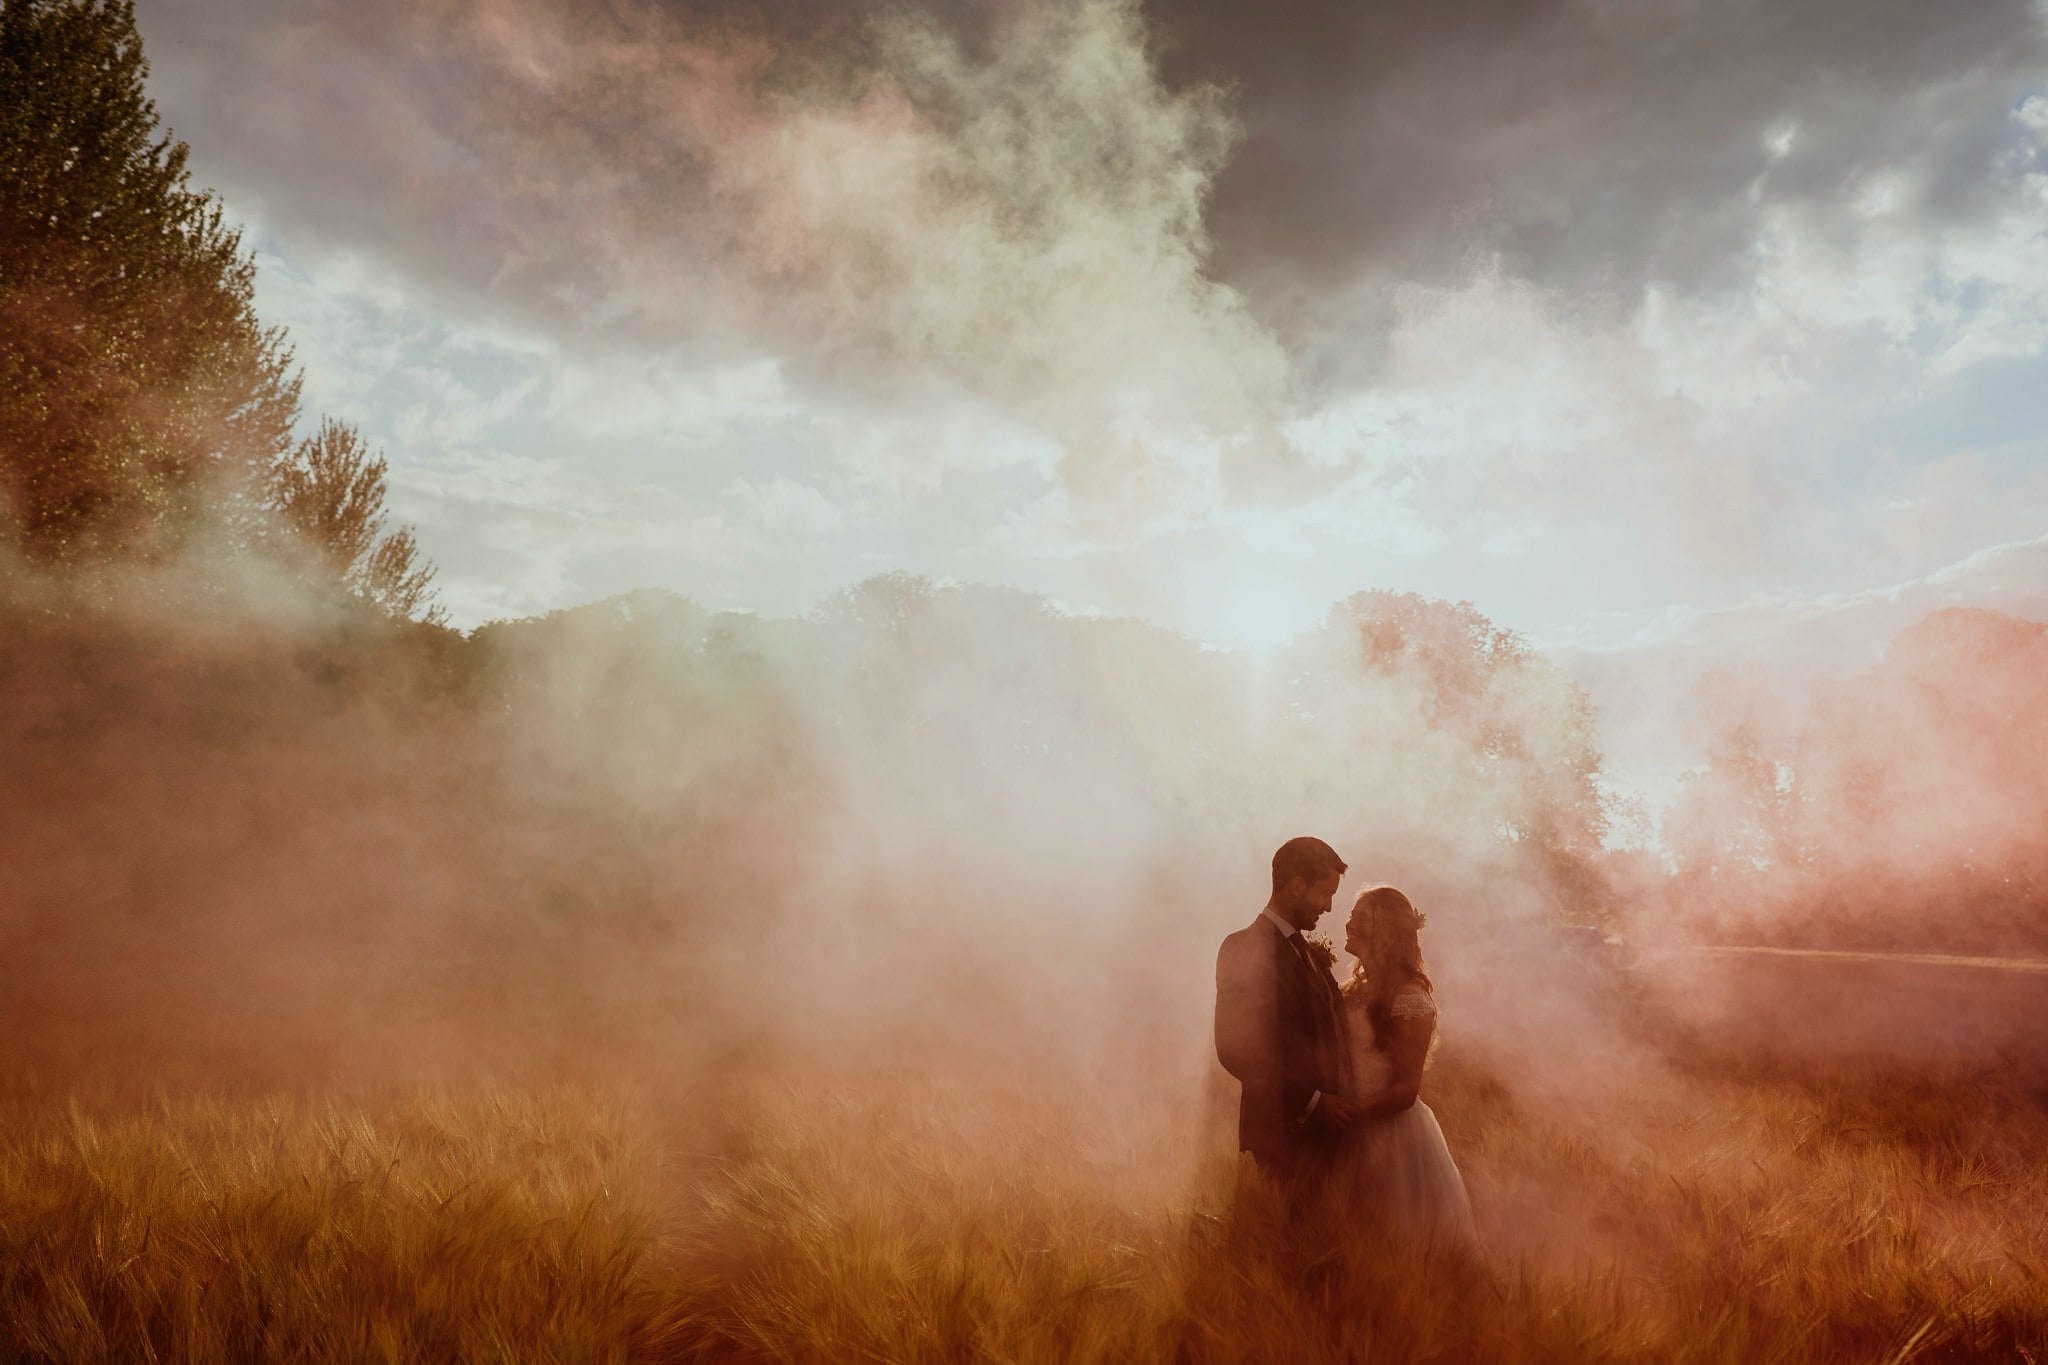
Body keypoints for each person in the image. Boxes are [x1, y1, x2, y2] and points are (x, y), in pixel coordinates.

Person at [1214, 836, 1363, 1193]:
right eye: (1325, 893)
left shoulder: (1308, 953)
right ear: (1297, 886)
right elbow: (1235, 1048)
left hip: (1328, 1142)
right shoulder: (1242, 947)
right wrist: (1312, 1101)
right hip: (1280, 1138)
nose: (1328, 907)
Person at [1334, 885, 1477, 1249]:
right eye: (1351, 915)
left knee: (1399, 1245)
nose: (1348, 923)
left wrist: (1349, 1113)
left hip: (1389, 1136)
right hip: (1342, 1131)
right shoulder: (1353, 987)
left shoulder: (1411, 998)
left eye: (1360, 918)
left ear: (1385, 931)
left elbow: (1405, 1091)